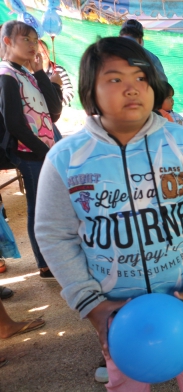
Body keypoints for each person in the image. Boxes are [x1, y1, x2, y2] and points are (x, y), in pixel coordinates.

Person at [34, 37, 183, 392]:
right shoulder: (66, 159)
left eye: (140, 77)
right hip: (115, 306)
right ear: (89, 92)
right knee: (124, 378)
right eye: (115, 78)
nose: (132, 88)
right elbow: (54, 234)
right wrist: (89, 302)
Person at [0, 21, 62, 281]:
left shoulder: (26, 73)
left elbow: (53, 111)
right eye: (25, 39)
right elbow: (13, 123)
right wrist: (43, 152)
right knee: (39, 208)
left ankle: (49, 259)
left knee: (47, 206)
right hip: (29, 152)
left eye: (35, 40)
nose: (32, 44)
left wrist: (40, 74)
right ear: (7, 41)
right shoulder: (6, 74)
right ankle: (45, 264)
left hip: (42, 149)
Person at [38, 39, 74, 107]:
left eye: (44, 51)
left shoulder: (58, 70)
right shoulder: (31, 73)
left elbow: (69, 91)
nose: (43, 54)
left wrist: (57, 105)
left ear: (48, 52)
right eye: (39, 52)